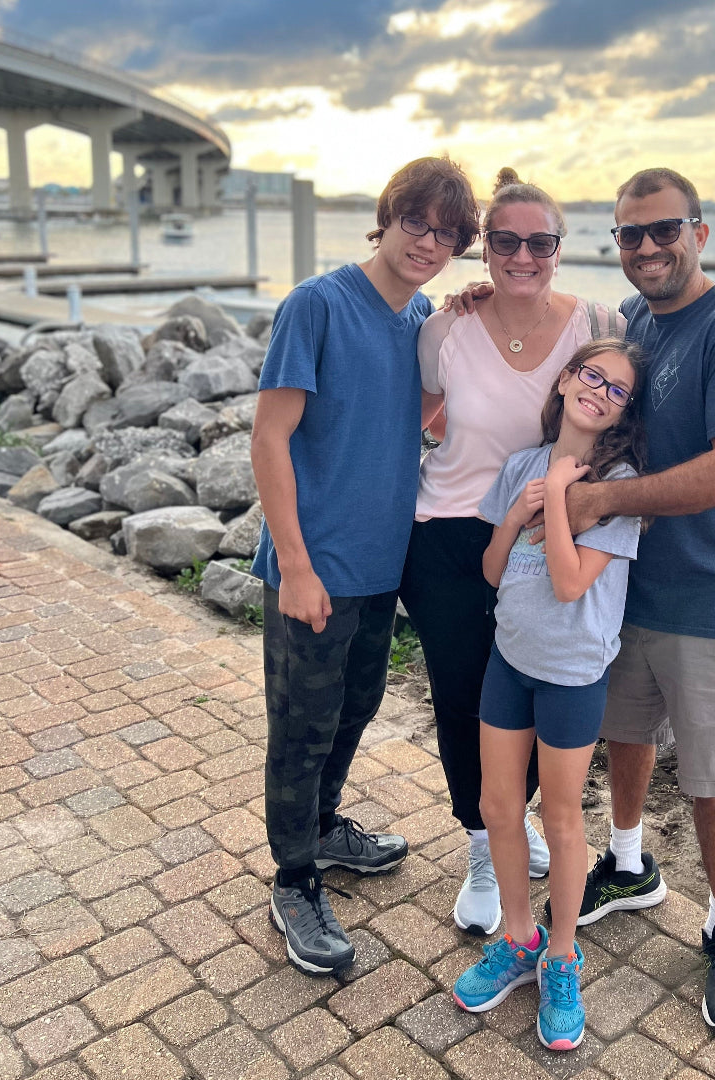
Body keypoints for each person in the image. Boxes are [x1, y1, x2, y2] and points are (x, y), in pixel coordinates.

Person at [557, 168, 715, 1035]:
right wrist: (472, 299)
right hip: (631, 590)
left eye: (664, 230)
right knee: (624, 735)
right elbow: (574, 367)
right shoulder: (640, 326)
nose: (647, 248)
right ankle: (627, 865)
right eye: (629, 235)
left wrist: (604, 503)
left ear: (700, 231)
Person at [250, 157, 480, 975]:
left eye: (449, 233)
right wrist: (298, 566)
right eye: (416, 223)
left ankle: (322, 827)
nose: (429, 242)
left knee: (357, 705)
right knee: (302, 726)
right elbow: (270, 436)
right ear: (386, 219)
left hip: (383, 564)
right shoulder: (316, 304)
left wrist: (464, 331)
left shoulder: (422, 316)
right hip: (315, 567)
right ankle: (293, 876)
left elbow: (412, 414)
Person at [398, 168, 625, 936]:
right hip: (451, 535)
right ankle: (482, 847)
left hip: (545, 527)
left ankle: (515, 822)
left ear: (559, 248)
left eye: (538, 242)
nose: (521, 255)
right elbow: (426, 407)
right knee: (466, 703)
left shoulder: (597, 320)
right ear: (485, 247)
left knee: (536, 688)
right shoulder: (444, 328)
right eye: (505, 241)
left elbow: (622, 399)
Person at [451, 339, 645, 1051]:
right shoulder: (522, 466)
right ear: (566, 380)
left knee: (561, 819)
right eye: (590, 375)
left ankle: (560, 956)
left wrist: (561, 498)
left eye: (617, 389)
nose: (598, 390)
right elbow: (495, 572)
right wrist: (519, 510)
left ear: (626, 409)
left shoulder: (619, 483)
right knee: (499, 805)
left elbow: (569, 581)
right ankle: (517, 936)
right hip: (511, 659)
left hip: (572, 673)